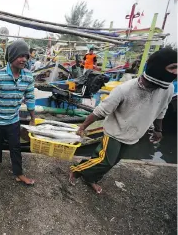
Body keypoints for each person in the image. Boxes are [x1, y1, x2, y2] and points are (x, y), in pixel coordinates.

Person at [69, 48, 177, 194]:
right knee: (104, 160)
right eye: (173, 67)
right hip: (114, 131)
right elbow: (100, 111)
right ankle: (76, 170)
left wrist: (158, 130)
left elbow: (161, 110)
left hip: (134, 134)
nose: (176, 72)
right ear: (158, 66)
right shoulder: (125, 89)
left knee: (112, 162)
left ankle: (91, 178)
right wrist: (83, 127)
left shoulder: (168, 89)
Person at [0, 40, 35, 185]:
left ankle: (19, 173)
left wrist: (33, 118)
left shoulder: (28, 76)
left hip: (13, 119)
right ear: (11, 57)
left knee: (15, 146)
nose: (24, 59)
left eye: (26, 56)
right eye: (20, 56)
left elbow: (30, 98)